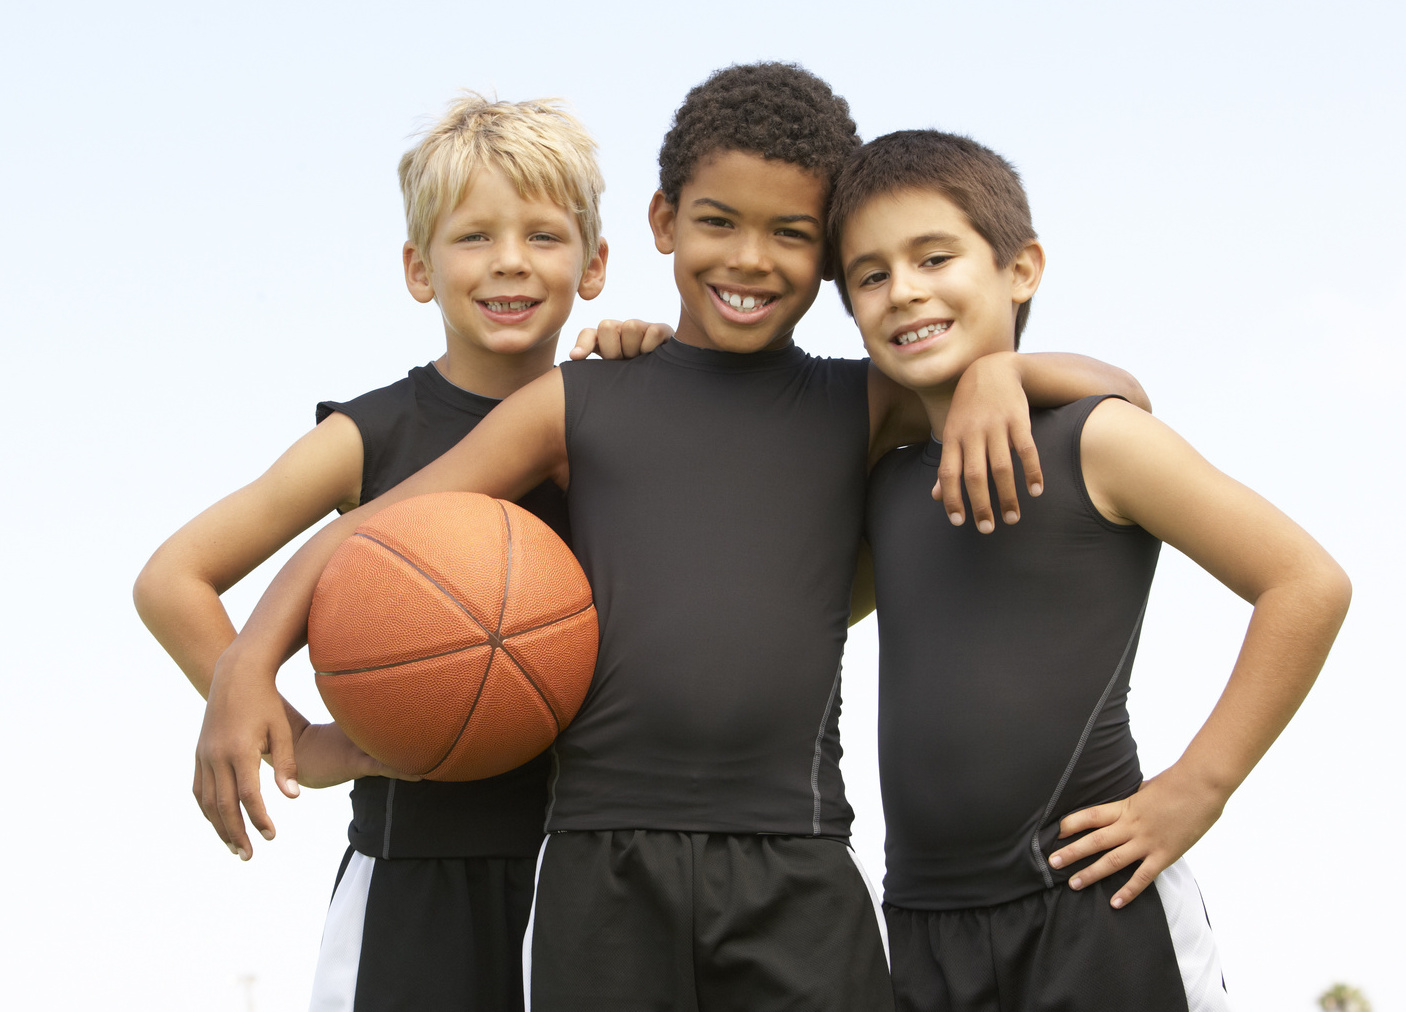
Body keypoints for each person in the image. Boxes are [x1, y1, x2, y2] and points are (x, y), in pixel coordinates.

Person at [192, 64, 1145, 1011]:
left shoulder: (862, 399)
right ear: (662, 224)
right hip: (599, 865)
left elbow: (1121, 394)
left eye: (792, 235)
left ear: (827, 255)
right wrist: (247, 667)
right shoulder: (577, 402)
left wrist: (999, 375)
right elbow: (372, 533)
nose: (750, 259)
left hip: (800, 857)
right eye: (718, 222)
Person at [134, 93, 667, 1011]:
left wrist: (657, 360)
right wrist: (285, 726)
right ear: (419, 270)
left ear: (595, 265)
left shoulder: (623, 411)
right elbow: (172, 578)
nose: (510, 262)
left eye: (544, 236)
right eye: (474, 238)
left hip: (598, 861)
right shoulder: (372, 433)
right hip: (415, 870)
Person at [828, 128, 1352, 1011]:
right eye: (871, 275)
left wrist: (1197, 788)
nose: (904, 290)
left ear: (1021, 269)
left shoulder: (1095, 440)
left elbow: (1307, 583)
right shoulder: (883, 485)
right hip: (923, 930)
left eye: (934, 256)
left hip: (1099, 908)